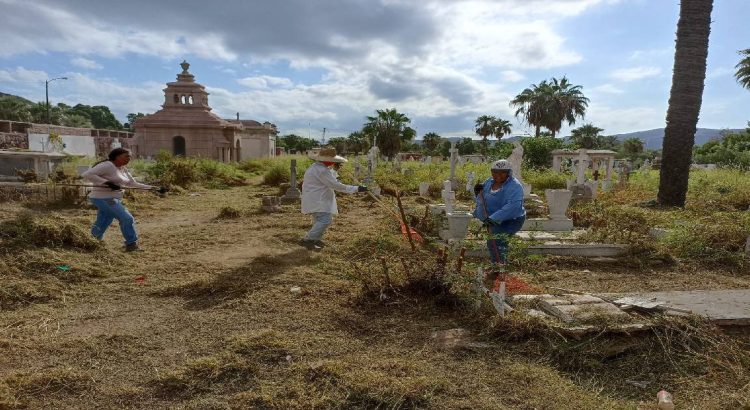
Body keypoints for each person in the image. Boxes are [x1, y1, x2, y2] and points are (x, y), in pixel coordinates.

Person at [81, 148, 165, 252]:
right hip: (103, 198)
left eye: (130, 157)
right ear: (117, 156)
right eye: (126, 156)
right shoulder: (107, 165)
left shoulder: (123, 168)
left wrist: (154, 188)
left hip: (113, 198)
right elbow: (87, 174)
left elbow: (133, 184)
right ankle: (131, 244)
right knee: (127, 218)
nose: (129, 159)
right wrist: (107, 183)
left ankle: (92, 242)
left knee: (103, 221)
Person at [300, 147, 367, 251]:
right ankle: (308, 240)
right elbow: (335, 185)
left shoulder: (317, 167)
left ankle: (315, 239)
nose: (333, 163)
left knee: (320, 220)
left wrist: (335, 170)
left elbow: (329, 178)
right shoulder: (321, 170)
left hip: (316, 198)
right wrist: (356, 188)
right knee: (325, 220)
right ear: (327, 160)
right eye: (333, 161)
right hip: (318, 199)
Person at [473, 159, 526, 264]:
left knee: (497, 240)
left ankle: (500, 267)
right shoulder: (489, 182)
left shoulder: (514, 186)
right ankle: (498, 265)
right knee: (493, 241)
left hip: (511, 220)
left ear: (509, 173)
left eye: (503, 172)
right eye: (495, 171)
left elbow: (513, 207)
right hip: (492, 218)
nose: (498, 175)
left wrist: (493, 219)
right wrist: (477, 191)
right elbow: (482, 198)